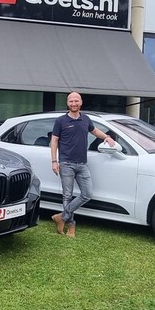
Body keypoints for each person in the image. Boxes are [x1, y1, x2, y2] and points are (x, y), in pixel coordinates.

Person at [50, 91, 115, 238]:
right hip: (66, 163)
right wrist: (54, 161)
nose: (74, 103)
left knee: (87, 194)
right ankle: (71, 226)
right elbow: (54, 141)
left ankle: (61, 217)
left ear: (81, 102)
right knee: (67, 196)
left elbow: (95, 131)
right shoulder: (61, 121)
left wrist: (107, 137)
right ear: (67, 103)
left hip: (82, 164)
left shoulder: (85, 119)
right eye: (71, 101)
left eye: (76, 101)